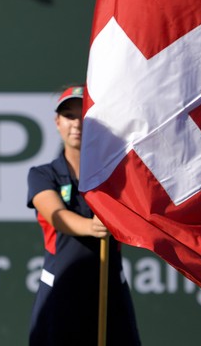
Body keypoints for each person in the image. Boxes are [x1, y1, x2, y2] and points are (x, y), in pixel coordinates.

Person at [27, 86, 141, 345]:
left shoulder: (116, 174)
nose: (76, 124)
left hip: (110, 287)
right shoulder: (43, 174)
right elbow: (56, 216)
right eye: (69, 115)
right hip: (60, 288)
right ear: (58, 122)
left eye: (84, 116)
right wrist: (92, 226)